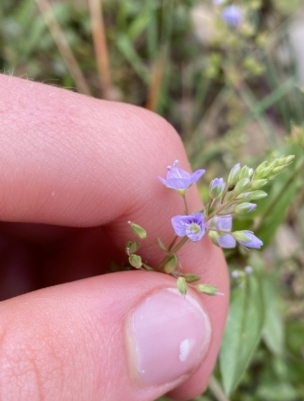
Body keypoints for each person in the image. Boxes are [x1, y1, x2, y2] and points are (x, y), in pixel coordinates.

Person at [0, 74, 229, 401]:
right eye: (194, 227)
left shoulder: (188, 226)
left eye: (197, 228)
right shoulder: (175, 227)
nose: (194, 230)